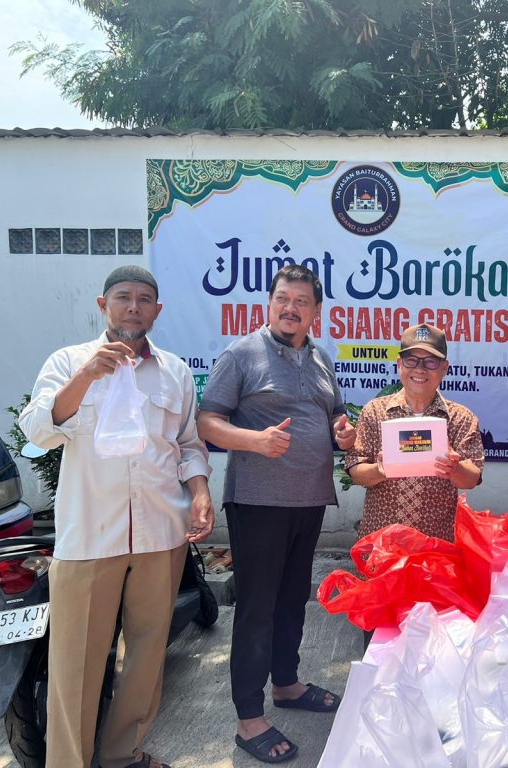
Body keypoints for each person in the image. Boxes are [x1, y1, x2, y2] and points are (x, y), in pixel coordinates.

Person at [19, 265, 213, 768]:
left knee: (147, 656)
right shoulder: (68, 362)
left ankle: (122, 755)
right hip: (90, 536)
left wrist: (199, 491)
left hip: (160, 533)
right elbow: (37, 431)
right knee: (75, 662)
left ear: (157, 310)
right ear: (102, 305)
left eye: (144, 299)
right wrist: (87, 376)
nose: (133, 307)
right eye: (123, 297)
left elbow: (188, 444)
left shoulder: (174, 371)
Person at [196, 264, 356, 764]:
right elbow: (207, 421)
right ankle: (249, 719)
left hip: (309, 500)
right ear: (269, 303)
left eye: (301, 301)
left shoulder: (321, 358)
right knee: (257, 609)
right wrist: (254, 440)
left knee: (291, 601)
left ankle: (286, 684)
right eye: (283, 298)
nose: (291, 308)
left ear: (316, 311)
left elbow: (333, 413)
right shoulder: (242, 354)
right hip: (259, 502)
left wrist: (342, 428)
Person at [345, 323, 484, 541]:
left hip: (436, 545)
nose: (420, 369)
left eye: (430, 361)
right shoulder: (375, 411)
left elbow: (472, 478)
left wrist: (454, 468)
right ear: (399, 364)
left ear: (444, 367)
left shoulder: (460, 418)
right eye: (411, 360)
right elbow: (356, 469)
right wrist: (380, 470)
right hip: (382, 544)